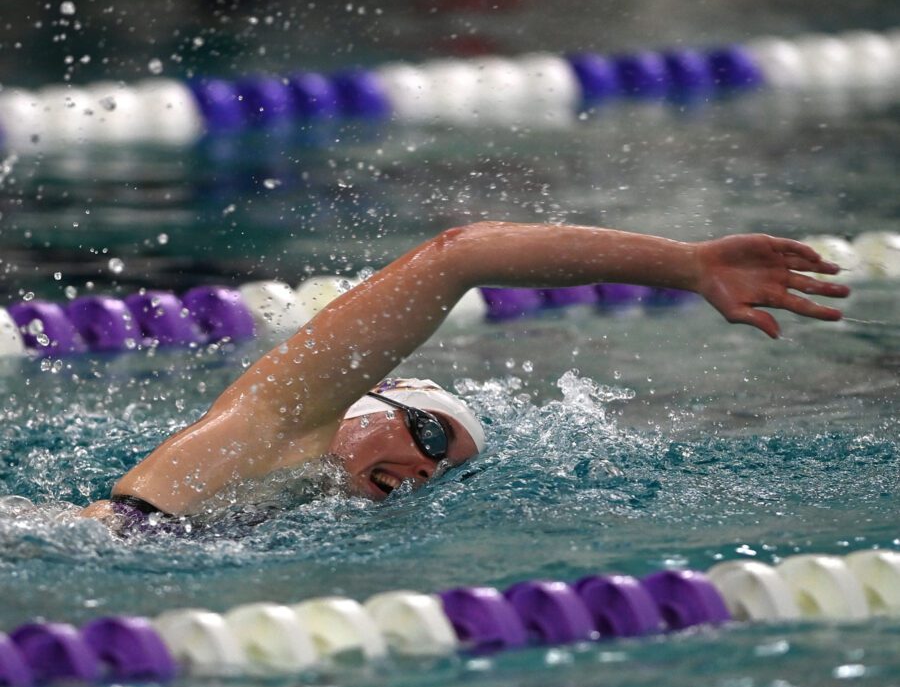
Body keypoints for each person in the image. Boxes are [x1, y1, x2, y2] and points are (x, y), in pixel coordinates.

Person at [78, 221, 847, 530]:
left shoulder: (289, 510)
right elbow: (462, 256)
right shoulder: (280, 423)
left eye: (441, 468)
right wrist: (683, 266)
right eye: (425, 431)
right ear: (364, 398)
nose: (421, 465)